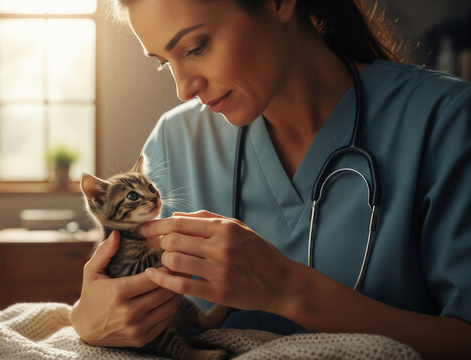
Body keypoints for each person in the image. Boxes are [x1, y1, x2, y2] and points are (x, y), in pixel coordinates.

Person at [69, 0, 471, 358]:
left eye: (195, 47)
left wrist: (289, 289)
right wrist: (89, 319)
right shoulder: (175, 142)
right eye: (164, 61)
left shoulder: (447, 121)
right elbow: (117, 296)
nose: (183, 88)